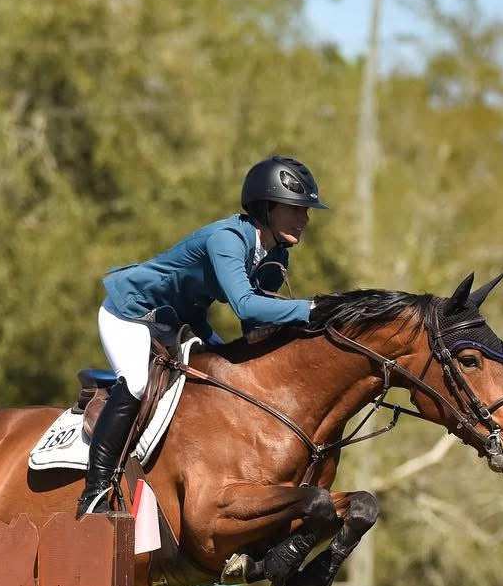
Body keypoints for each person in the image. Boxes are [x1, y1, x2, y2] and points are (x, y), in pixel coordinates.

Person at [78, 155, 329, 515]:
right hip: (130, 313)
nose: (305, 219)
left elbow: (255, 331)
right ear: (268, 207)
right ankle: (95, 492)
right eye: (296, 209)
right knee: (134, 384)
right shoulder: (227, 238)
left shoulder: (276, 256)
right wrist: (310, 309)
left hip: (176, 323)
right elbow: (244, 305)